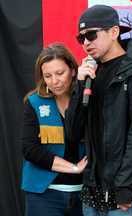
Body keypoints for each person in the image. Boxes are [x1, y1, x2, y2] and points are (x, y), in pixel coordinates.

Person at [64, 4, 132, 216]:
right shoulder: (89, 74)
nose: (86, 42)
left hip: (126, 196)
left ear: (114, 32)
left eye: (91, 35)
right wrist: (79, 86)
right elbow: (73, 132)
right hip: (92, 195)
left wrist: (124, 187)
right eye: (81, 38)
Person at [21, 43, 88, 216]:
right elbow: (30, 149)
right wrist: (74, 168)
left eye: (60, 73)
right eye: (47, 76)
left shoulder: (87, 100)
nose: (54, 82)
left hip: (85, 194)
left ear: (73, 70)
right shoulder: (34, 103)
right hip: (44, 194)